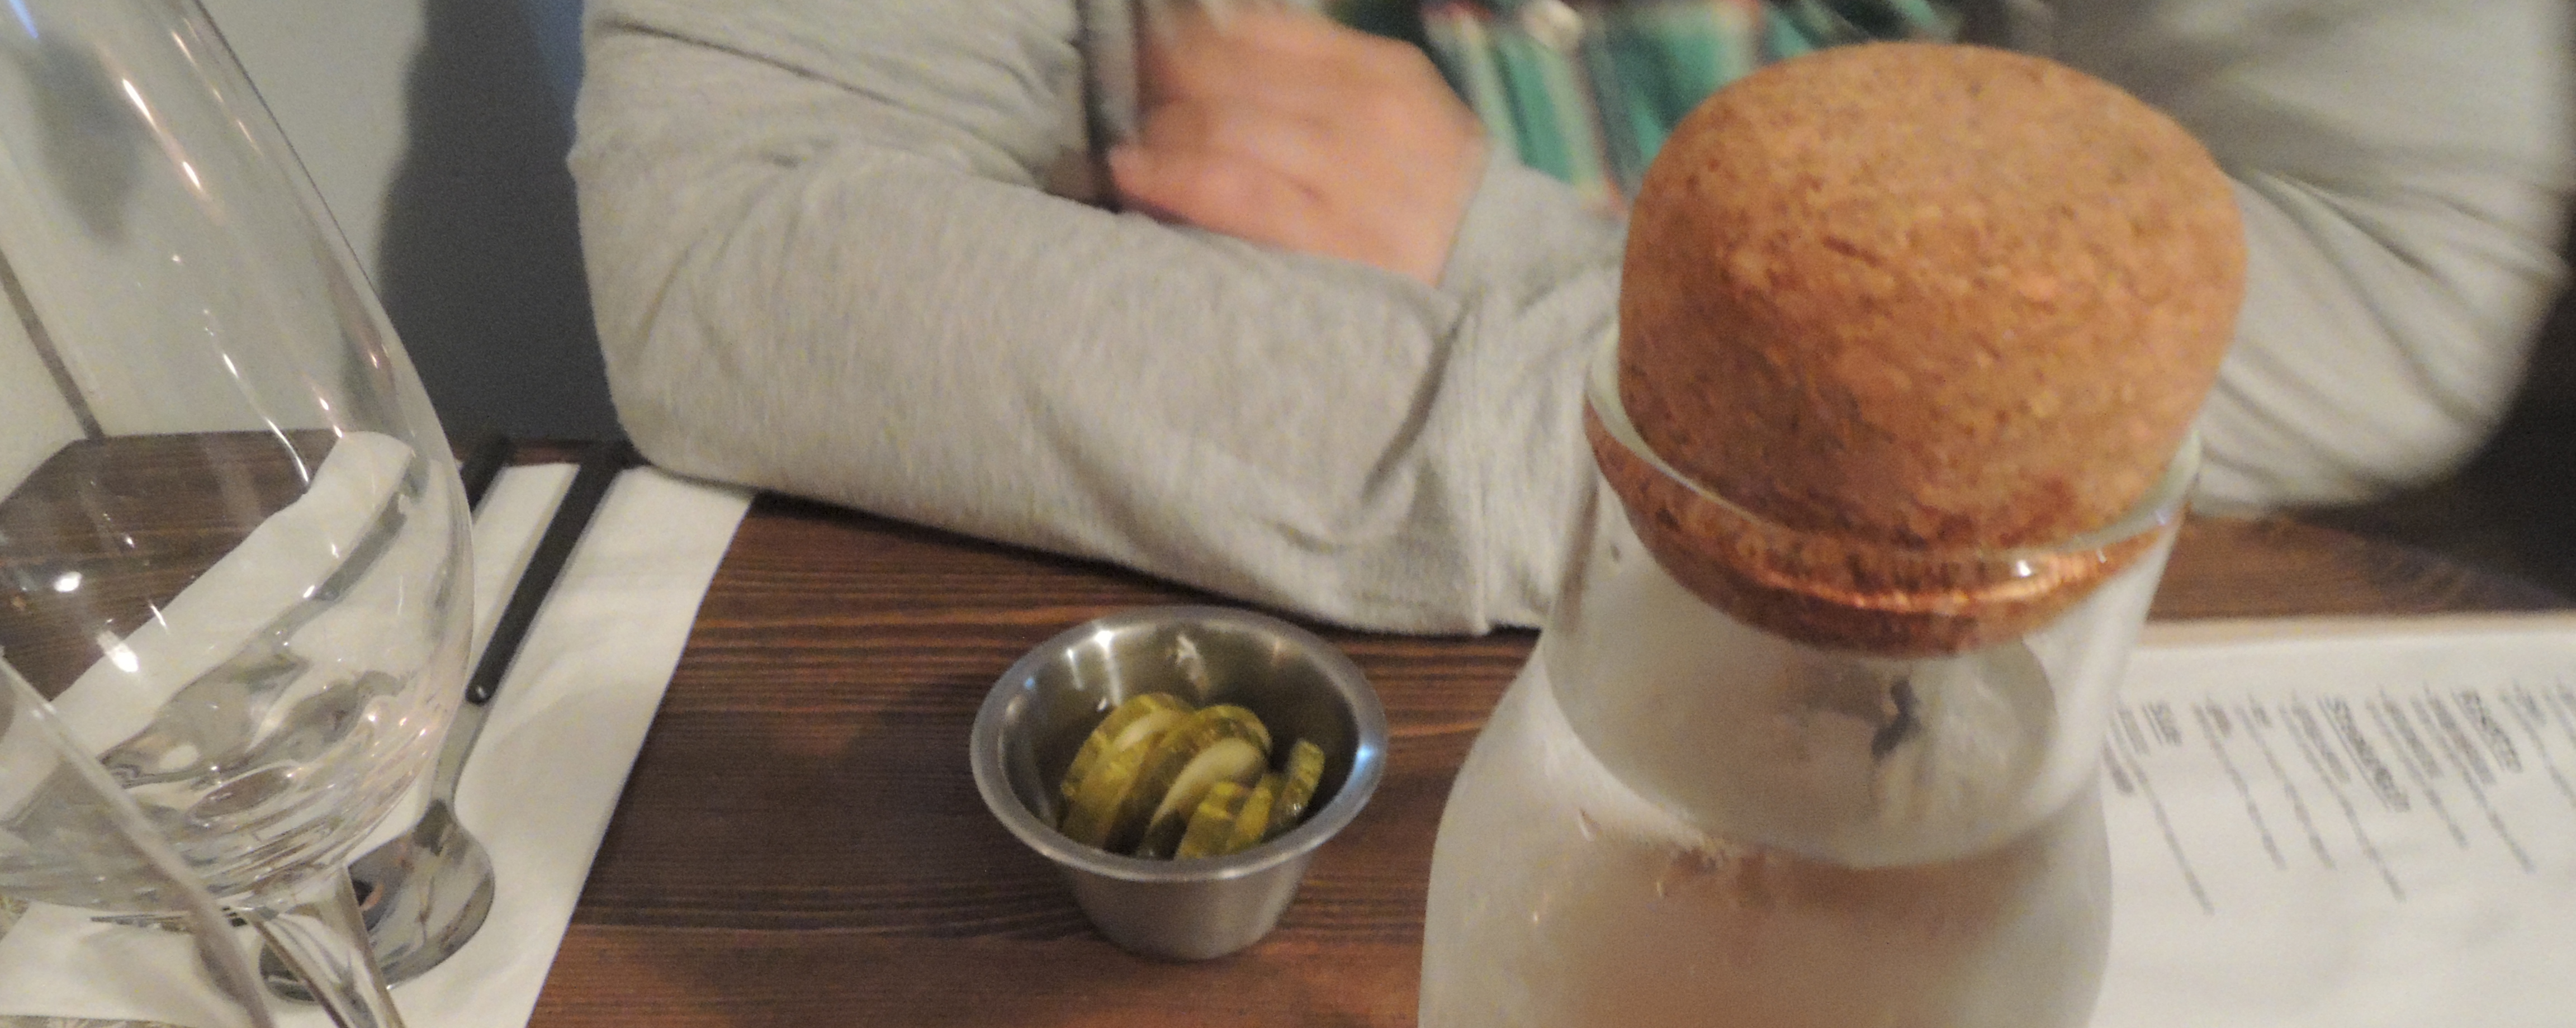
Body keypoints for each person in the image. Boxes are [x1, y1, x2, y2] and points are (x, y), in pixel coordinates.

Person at [570, 0, 2574, 634]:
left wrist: (1509, 251)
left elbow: (2391, 286)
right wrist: (1845, 430)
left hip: (1942, 711)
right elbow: (729, 257)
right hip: (1161, 657)